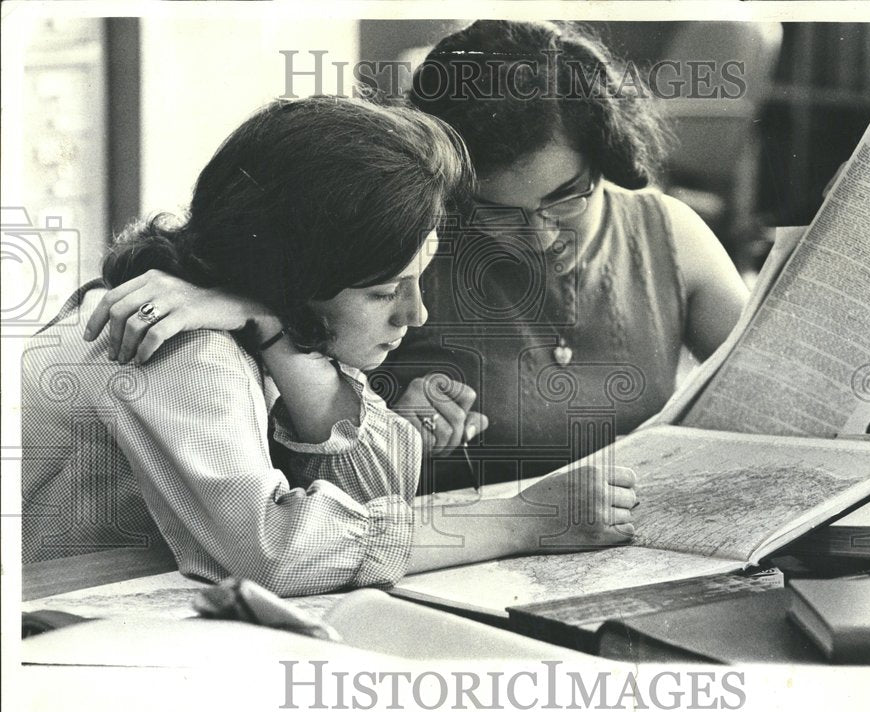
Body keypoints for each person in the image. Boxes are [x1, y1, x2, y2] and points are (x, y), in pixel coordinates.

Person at [21, 96, 638, 597]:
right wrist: (522, 518)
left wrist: (279, 332)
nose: (415, 314)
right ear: (298, 280)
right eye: (381, 293)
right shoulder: (189, 347)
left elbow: (374, 498)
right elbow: (276, 554)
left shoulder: (265, 318)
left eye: (418, 278)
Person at [375, 19, 750, 489]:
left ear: (606, 157)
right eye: (496, 212)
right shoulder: (408, 253)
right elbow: (317, 468)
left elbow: (772, 406)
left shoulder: (670, 233)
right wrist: (389, 434)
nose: (541, 238)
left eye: (566, 198)